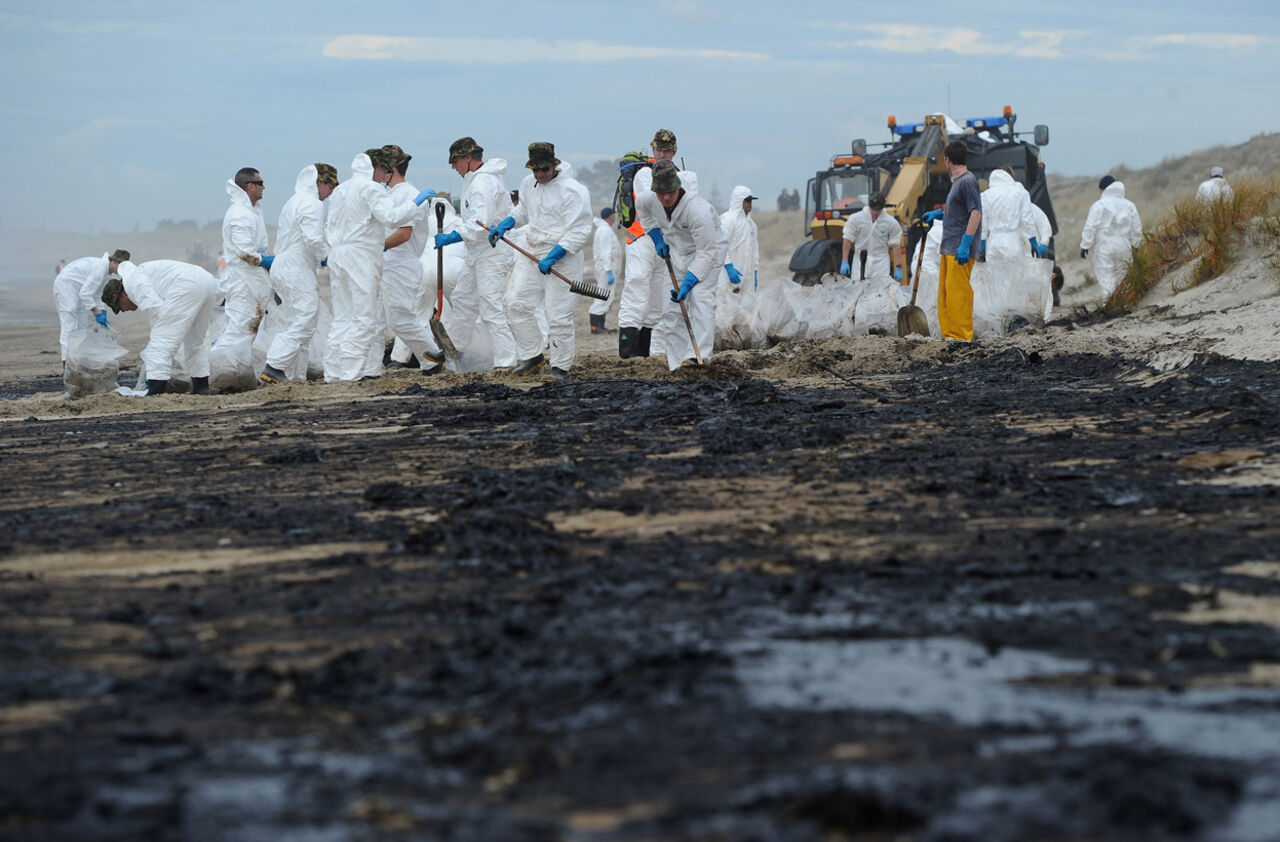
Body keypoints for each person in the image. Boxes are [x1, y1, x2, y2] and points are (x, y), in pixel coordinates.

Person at [322, 148, 436, 382]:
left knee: (348, 317)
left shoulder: (342, 190)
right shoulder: (372, 189)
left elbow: (329, 225)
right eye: (379, 168)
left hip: (348, 257)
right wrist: (416, 203)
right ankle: (353, 373)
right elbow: (393, 219)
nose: (381, 174)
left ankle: (336, 372)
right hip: (363, 258)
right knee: (366, 318)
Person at [489, 141, 593, 380]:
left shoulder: (573, 190)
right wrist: (505, 224)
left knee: (557, 316)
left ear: (554, 166)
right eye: (535, 170)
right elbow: (523, 213)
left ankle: (560, 366)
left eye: (544, 170)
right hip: (531, 252)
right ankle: (532, 355)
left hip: (563, 256)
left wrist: (554, 256)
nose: (539, 175)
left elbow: (579, 230)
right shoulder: (528, 184)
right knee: (515, 302)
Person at [635, 160, 727, 370]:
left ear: (678, 187)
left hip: (708, 252)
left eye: (670, 191)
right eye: (661, 193)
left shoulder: (698, 210)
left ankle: (699, 357)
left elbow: (707, 251)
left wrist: (688, 282)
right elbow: (646, 217)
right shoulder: (648, 200)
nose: (666, 197)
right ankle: (678, 364)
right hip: (676, 252)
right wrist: (657, 238)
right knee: (670, 308)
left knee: (701, 299)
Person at [437, 136, 519, 368]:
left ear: (469, 158)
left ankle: (507, 360)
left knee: (489, 306)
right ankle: (457, 351)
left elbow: (479, 223)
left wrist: (452, 236)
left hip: (491, 253)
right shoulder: (475, 180)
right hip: (477, 253)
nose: (453, 167)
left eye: (456, 162)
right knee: (463, 300)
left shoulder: (483, 183)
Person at [617, 128, 697, 359]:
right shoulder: (644, 173)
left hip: (668, 244)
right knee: (636, 289)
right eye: (659, 149)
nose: (663, 154)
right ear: (653, 149)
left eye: (667, 150)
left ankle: (643, 356)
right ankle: (626, 354)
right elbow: (653, 206)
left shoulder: (681, 176)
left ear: (674, 152)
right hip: (642, 239)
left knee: (656, 301)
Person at [373, 145, 447, 377]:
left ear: (391, 169)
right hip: (389, 262)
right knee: (386, 319)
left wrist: (376, 247)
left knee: (401, 319)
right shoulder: (390, 194)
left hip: (402, 263)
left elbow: (404, 234)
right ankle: (429, 361)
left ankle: (433, 356)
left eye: (378, 167)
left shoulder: (407, 194)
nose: (375, 171)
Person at [259, 163, 336, 384]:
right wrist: (327, 257)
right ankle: (275, 366)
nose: (331, 192)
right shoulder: (311, 204)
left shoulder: (293, 201)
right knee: (306, 316)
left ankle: (295, 376)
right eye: (330, 185)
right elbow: (313, 239)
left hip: (286, 266)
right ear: (319, 182)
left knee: (297, 321)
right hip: (296, 267)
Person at [100, 260, 219, 396]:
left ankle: (156, 390)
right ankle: (201, 388)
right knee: (195, 342)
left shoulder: (133, 284)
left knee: (161, 342)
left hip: (186, 285)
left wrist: (153, 371)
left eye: (119, 306)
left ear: (122, 295)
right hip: (207, 282)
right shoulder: (140, 275)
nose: (123, 310)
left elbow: (157, 315)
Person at [934, 140, 983, 341]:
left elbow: (976, 213)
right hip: (949, 247)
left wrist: (966, 243)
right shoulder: (958, 182)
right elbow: (960, 211)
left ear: (947, 160)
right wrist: (939, 213)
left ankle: (962, 336)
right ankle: (950, 335)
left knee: (958, 294)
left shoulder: (967, 181)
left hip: (959, 250)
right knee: (945, 295)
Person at [218, 167, 272, 346]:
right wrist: (266, 261)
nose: (263, 187)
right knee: (239, 326)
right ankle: (223, 368)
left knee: (248, 327)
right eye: (260, 183)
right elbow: (244, 253)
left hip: (251, 277)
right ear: (250, 186)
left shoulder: (251, 212)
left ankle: (237, 368)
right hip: (242, 280)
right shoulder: (240, 214)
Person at [52, 248, 130, 365]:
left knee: (82, 325)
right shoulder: (99, 269)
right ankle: (67, 362)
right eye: (119, 265)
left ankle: (77, 360)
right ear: (113, 261)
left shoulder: (107, 273)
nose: (120, 269)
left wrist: (102, 311)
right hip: (66, 287)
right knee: (70, 324)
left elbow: (96, 294)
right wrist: (97, 313)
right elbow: (86, 294)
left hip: (78, 290)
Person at [1080, 179, 1143, 300]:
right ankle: (1123, 303)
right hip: (1124, 245)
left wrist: (1085, 245)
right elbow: (1136, 227)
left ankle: (1109, 304)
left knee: (1106, 277)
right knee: (1123, 276)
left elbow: (1090, 226)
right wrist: (1136, 245)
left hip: (1104, 245)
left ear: (1103, 190)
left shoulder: (1099, 205)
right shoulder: (1129, 205)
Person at [840, 192, 902, 284]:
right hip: (860, 262)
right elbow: (847, 239)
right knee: (858, 291)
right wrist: (844, 261)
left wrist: (898, 267)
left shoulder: (890, 222)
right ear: (869, 206)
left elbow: (896, 244)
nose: (876, 212)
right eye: (874, 209)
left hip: (881, 263)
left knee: (880, 293)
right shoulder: (856, 219)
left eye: (878, 210)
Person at [720, 186, 759, 292]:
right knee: (724, 305)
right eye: (748, 201)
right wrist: (728, 267)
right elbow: (720, 245)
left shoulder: (751, 225)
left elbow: (754, 250)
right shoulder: (727, 220)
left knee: (745, 306)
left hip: (746, 277)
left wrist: (755, 271)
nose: (750, 204)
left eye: (751, 201)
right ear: (739, 201)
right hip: (727, 276)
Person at [589, 207, 621, 333]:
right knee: (603, 296)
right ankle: (596, 327)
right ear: (610, 216)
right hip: (606, 269)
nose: (615, 217)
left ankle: (600, 326)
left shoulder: (604, 229)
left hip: (606, 268)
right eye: (614, 215)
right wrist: (609, 271)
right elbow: (605, 252)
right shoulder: (604, 231)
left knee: (605, 296)